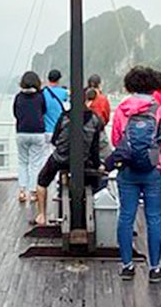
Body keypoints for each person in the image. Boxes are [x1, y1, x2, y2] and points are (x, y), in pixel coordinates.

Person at [108, 65, 161, 283]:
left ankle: (127, 266)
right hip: (154, 170)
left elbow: (115, 140)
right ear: (153, 85)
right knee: (154, 218)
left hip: (127, 170)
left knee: (126, 216)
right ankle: (155, 269)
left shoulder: (121, 109)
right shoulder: (159, 110)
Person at [31, 85, 111, 226]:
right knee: (94, 182)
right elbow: (95, 148)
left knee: (41, 181)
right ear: (86, 100)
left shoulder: (64, 117)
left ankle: (42, 216)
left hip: (61, 159)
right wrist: (97, 164)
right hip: (85, 161)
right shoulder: (95, 119)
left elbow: (55, 140)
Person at [13, 71, 49, 204]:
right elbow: (44, 110)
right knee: (36, 163)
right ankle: (34, 192)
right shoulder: (40, 97)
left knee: (23, 162)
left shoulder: (18, 97)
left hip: (21, 132)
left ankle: (22, 191)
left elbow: (15, 113)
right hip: (38, 132)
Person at [42, 68, 70, 133]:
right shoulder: (64, 93)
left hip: (47, 130)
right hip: (59, 130)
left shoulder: (43, 93)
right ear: (59, 80)